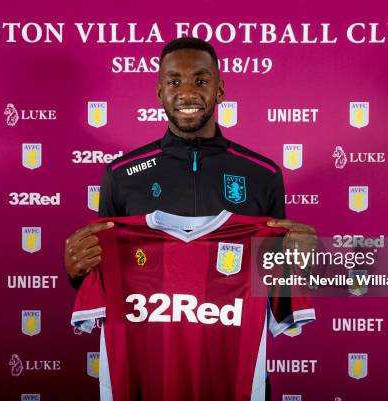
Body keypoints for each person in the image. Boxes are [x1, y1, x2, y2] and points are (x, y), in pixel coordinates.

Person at [65, 36, 316, 289]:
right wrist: (77, 273)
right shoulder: (121, 175)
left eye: (201, 81)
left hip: (230, 328)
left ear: (219, 91)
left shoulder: (263, 174)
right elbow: (106, 276)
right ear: (160, 93)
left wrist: (305, 263)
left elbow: (275, 284)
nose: (187, 93)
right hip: (149, 327)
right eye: (174, 82)